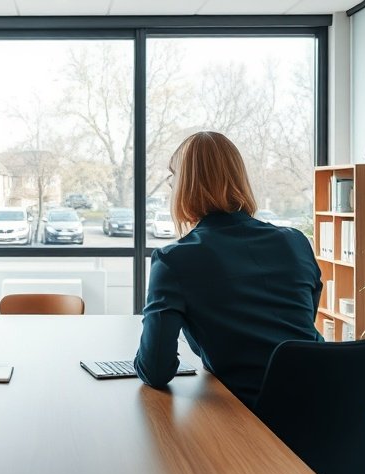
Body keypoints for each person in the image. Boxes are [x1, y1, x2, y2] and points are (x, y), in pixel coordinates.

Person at [134, 131, 322, 408]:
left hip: (252, 418)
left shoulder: (174, 260)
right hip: (326, 398)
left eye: (173, 179)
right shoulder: (295, 241)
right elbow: (300, 322)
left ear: (184, 186)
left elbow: (156, 370)